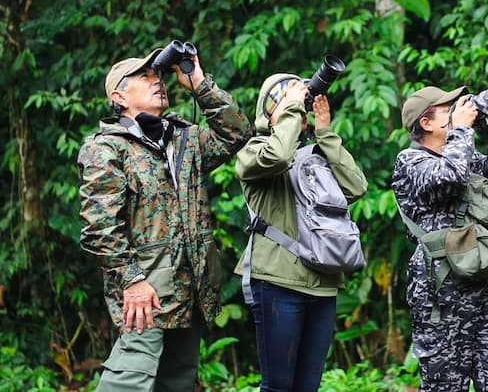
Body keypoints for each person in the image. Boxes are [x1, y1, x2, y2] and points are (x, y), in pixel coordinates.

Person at [78, 47, 253, 392]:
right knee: (129, 380)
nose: (157, 80)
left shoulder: (184, 139)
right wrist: (132, 282)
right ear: (119, 96)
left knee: (177, 382)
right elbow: (100, 228)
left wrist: (199, 83)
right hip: (148, 292)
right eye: (144, 77)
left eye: (157, 74)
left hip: (192, 289)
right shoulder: (107, 148)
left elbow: (236, 133)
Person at [391, 85, 488, 392]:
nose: (459, 110)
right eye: (448, 109)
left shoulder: (465, 155)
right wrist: (461, 130)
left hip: (484, 283)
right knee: (445, 386)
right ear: (426, 123)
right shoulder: (410, 162)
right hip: (440, 290)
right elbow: (448, 178)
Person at [235, 74, 367, 392]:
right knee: (279, 386)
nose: (298, 107)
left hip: (323, 285)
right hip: (278, 283)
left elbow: (356, 186)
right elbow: (279, 156)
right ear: (269, 112)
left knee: (308, 386)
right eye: (288, 101)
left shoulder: (316, 158)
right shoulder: (253, 152)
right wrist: (293, 107)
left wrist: (326, 133)